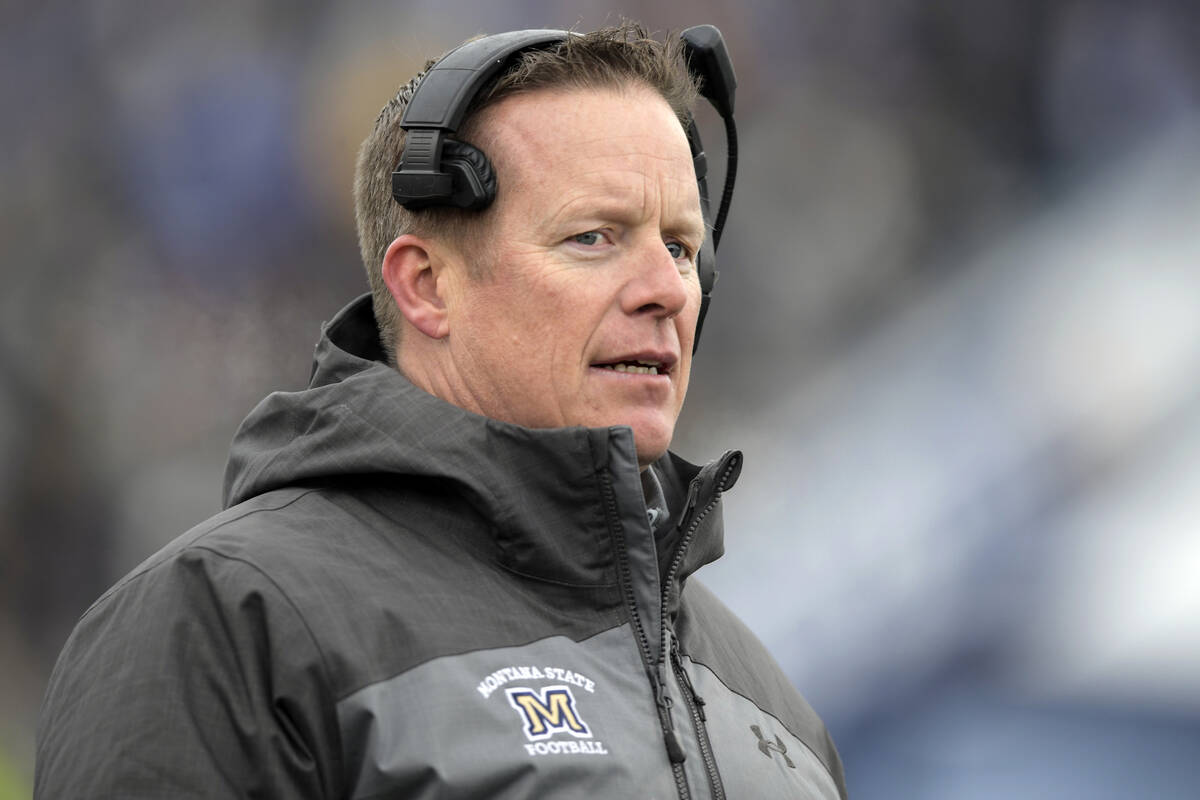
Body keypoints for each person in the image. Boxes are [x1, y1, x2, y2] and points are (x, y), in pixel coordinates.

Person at [35, 23, 847, 799]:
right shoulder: (224, 624)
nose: (669, 290)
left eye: (679, 245)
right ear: (426, 285)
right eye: (595, 237)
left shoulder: (774, 708)